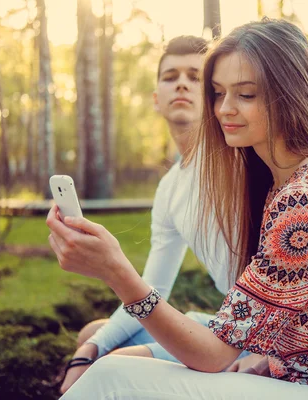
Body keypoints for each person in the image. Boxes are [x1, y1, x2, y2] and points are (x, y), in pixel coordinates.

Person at [48, 19, 308, 399]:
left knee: (114, 377)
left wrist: (115, 270)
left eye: (246, 95)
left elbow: (213, 355)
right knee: (119, 368)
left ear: (289, 96)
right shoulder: (286, 181)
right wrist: (267, 359)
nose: (224, 108)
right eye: (218, 92)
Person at [59, 35, 256, 394]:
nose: (181, 82)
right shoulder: (170, 189)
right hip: (226, 326)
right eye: (170, 76)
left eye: (195, 77)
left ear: (215, 94)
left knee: (109, 367)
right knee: (92, 336)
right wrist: (88, 350)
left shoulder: (240, 163)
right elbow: (154, 290)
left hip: (259, 332)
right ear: (156, 99)